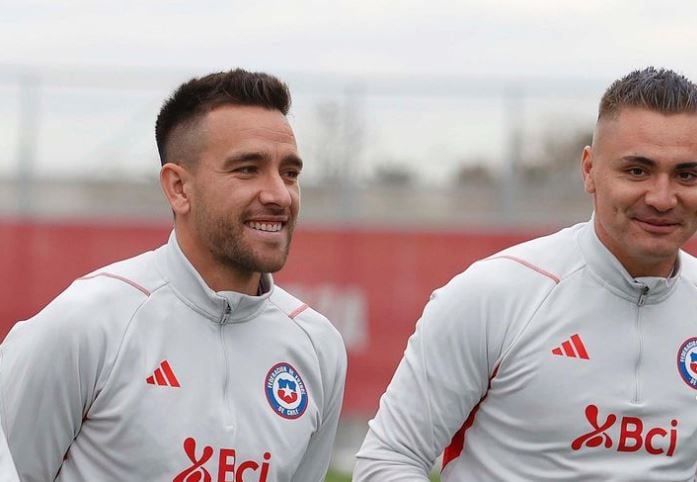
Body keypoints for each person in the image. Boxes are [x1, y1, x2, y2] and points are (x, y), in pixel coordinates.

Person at [0, 69, 347, 481]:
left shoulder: (318, 344)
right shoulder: (85, 323)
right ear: (178, 188)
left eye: (289, 173)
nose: (278, 194)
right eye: (247, 169)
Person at [354, 66, 697, 481]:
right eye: (637, 171)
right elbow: (388, 460)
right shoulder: (493, 294)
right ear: (590, 170)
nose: (662, 198)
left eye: (687, 175)